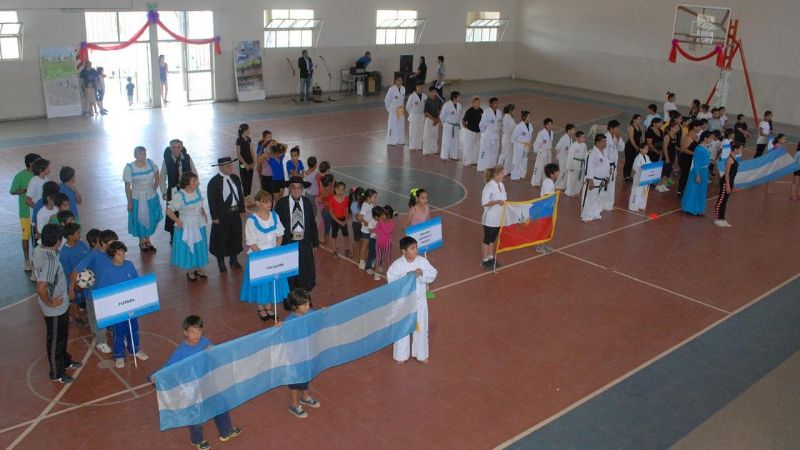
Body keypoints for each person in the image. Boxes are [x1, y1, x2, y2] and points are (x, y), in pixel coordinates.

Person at [157, 315, 242, 447]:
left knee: (221, 404)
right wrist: (155, 376)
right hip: (191, 388)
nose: (196, 335)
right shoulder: (181, 350)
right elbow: (169, 367)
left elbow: (216, 357)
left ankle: (226, 431)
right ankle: (197, 440)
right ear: (185, 332)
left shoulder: (205, 342)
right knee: (196, 414)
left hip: (208, 383)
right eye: (192, 332)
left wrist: (212, 351)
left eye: (199, 332)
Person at [33, 224, 82, 383]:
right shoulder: (51, 260)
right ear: (58, 241)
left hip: (60, 304)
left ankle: (65, 360)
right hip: (54, 307)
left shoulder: (39, 249)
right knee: (55, 339)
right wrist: (51, 302)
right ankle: (56, 373)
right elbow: (41, 288)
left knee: (62, 335)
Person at [95, 241, 148, 368]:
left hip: (130, 306)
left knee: (133, 329)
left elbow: (136, 281)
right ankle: (119, 355)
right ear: (112, 256)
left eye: (123, 253)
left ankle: (134, 350)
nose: (122, 257)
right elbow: (102, 291)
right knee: (118, 333)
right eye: (118, 254)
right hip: (116, 309)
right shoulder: (107, 271)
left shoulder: (129, 265)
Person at [241, 191, 288, 321]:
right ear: (258, 203)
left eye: (270, 201)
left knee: (272, 281)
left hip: (272, 255)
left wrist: (276, 250)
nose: (269, 204)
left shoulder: (274, 216)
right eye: (265, 202)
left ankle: (268, 305)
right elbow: (251, 242)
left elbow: (280, 234)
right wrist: (263, 256)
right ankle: (261, 307)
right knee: (261, 283)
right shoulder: (251, 221)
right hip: (258, 256)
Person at [390, 236, 438, 364]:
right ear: (404, 251)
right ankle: (401, 355)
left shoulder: (422, 262)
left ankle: (421, 354)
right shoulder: (397, 265)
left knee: (421, 328)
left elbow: (433, 273)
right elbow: (391, 280)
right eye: (412, 248)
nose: (416, 250)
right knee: (403, 328)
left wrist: (422, 273)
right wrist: (406, 276)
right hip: (403, 304)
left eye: (416, 247)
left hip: (419, 302)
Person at [72, 229, 116, 354]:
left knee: (111, 314)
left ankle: (113, 332)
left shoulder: (111, 253)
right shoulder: (93, 255)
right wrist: (71, 288)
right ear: (101, 243)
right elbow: (76, 269)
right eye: (111, 243)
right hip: (94, 294)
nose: (113, 245)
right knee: (97, 318)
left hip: (109, 291)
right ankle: (101, 341)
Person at [281, 288, 322, 418]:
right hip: (294, 358)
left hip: (307, 353)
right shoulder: (288, 322)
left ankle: (304, 396)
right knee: (294, 381)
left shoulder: (310, 313)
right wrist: (278, 328)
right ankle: (294, 404)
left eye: (308, 303)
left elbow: (318, 319)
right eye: (304, 305)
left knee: (305, 377)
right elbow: (282, 337)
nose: (307, 306)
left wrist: (324, 313)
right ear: (294, 307)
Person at [275, 176, 320, 291]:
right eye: (293, 187)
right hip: (288, 242)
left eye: (299, 188)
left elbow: (312, 223)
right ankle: (290, 295)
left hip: (304, 242)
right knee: (289, 271)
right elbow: (276, 225)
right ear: (289, 188)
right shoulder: (281, 203)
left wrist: (315, 243)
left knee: (304, 269)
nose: (296, 190)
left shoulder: (307, 202)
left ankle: (303, 295)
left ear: (303, 189)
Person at [165, 172, 209, 281]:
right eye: (194, 181)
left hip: (198, 224)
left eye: (196, 180)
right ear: (187, 184)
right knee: (189, 248)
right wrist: (177, 220)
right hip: (187, 226)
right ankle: (190, 270)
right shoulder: (180, 195)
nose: (196, 183)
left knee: (198, 246)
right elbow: (168, 210)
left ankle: (198, 268)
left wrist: (204, 213)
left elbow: (200, 205)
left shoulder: (197, 192)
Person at [207, 157, 245, 274]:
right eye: (227, 166)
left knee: (235, 236)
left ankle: (233, 259)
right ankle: (221, 262)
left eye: (231, 165)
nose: (230, 168)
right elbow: (211, 201)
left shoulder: (235, 178)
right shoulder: (214, 182)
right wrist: (214, 217)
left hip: (235, 212)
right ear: (221, 167)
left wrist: (241, 210)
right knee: (222, 238)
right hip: (222, 215)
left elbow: (240, 194)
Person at [124, 146, 162, 251]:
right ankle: (142, 242)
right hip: (137, 197)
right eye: (140, 153)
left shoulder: (150, 163)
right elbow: (127, 187)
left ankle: (148, 240)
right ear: (135, 155)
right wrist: (129, 202)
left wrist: (156, 183)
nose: (143, 155)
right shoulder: (130, 168)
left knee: (150, 218)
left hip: (150, 196)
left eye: (144, 153)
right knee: (139, 219)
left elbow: (156, 171)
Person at [160, 139, 198, 243]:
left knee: (186, 211)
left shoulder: (187, 158)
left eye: (178, 147)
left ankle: (187, 233)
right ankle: (173, 236)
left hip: (187, 190)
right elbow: (162, 176)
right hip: (173, 191)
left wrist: (195, 188)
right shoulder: (167, 160)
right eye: (174, 147)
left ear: (182, 148)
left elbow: (194, 173)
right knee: (173, 213)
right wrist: (163, 191)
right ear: (170, 148)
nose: (176, 149)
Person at [10, 153, 40, 272]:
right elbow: (12, 191)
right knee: (26, 236)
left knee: (38, 236)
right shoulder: (20, 176)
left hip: (37, 212)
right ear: (31, 163)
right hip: (25, 212)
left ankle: (37, 259)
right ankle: (27, 260)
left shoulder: (38, 175)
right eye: (37, 161)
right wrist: (26, 190)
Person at [60, 223, 90, 327]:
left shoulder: (81, 244)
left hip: (86, 278)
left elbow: (88, 256)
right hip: (74, 280)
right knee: (75, 300)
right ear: (70, 236)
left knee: (85, 296)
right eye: (77, 233)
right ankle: (76, 317)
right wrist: (76, 284)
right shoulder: (64, 253)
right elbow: (68, 272)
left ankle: (87, 310)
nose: (80, 234)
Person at [481, 166, 507, 269]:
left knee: (493, 239)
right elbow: (484, 202)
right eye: (501, 173)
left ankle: (491, 257)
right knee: (487, 239)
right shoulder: (489, 186)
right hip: (490, 219)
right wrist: (497, 202)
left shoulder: (501, 185)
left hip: (498, 218)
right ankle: (484, 260)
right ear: (496, 175)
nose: (503, 175)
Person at [681, 131, 713, 216]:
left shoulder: (705, 147)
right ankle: (690, 208)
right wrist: (697, 174)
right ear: (705, 138)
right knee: (694, 189)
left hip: (704, 171)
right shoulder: (699, 148)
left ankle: (698, 209)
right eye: (710, 137)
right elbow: (697, 162)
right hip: (698, 171)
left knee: (701, 190)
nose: (711, 139)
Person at [581, 134, 610, 222]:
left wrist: (607, 176)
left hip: (602, 179)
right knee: (590, 198)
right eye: (603, 141)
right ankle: (586, 216)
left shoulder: (605, 152)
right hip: (594, 179)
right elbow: (589, 168)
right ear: (597, 142)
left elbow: (606, 165)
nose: (605, 143)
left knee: (599, 197)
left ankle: (595, 213)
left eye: (606, 141)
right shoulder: (591, 153)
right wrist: (590, 181)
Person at [714, 142, 741, 227]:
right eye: (740, 148)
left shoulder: (734, 158)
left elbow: (733, 173)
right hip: (726, 182)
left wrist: (733, 184)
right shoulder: (730, 159)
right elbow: (727, 173)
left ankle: (722, 219)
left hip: (730, 181)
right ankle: (717, 219)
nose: (741, 150)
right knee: (721, 200)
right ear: (735, 149)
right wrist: (728, 185)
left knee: (725, 201)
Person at [537, 163, 559, 254]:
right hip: (545, 209)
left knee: (547, 228)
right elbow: (546, 196)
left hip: (547, 209)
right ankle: (539, 246)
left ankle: (545, 244)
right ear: (552, 174)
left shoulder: (549, 182)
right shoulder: (549, 182)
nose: (559, 173)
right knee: (543, 228)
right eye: (557, 172)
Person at [602, 120, 623, 211]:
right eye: (617, 128)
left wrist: (618, 138)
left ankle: (609, 204)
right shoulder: (605, 138)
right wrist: (606, 166)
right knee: (605, 185)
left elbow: (622, 148)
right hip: (607, 165)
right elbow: (604, 153)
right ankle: (602, 204)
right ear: (611, 128)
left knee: (611, 186)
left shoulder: (616, 137)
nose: (618, 130)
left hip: (614, 165)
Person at [477, 97, 502, 172]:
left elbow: (499, 124)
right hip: (488, 134)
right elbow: (481, 125)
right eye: (495, 103)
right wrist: (484, 133)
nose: (496, 104)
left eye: (497, 103)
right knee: (485, 151)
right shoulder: (486, 112)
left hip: (495, 135)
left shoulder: (499, 112)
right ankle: (483, 167)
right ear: (490, 104)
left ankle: (492, 167)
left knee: (494, 151)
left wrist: (498, 132)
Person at [326, 181, 350, 258]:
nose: (341, 192)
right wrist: (338, 221)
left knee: (346, 235)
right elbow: (331, 212)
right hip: (335, 219)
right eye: (339, 189)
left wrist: (345, 220)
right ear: (335, 189)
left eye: (342, 190)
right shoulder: (332, 199)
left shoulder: (346, 199)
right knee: (334, 235)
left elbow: (346, 210)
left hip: (343, 219)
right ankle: (334, 251)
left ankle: (347, 249)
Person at [656, 121, 680, 193]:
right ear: (671, 128)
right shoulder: (667, 136)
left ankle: (663, 185)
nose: (678, 129)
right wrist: (666, 157)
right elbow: (665, 147)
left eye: (678, 127)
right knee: (664, 171)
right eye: (676, 127)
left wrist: (680, 150)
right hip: (667, 156)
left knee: (668, 171)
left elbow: (674, 146)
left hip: (672, 156)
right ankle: (658, 185)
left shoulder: (675, 136)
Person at [356, 189, 377, 271]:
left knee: (369, 246)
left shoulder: (370, 204)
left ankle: (368, 260)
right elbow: (359, 217)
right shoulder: (365, 205)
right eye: (374, 197)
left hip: (370, 229)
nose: (376, 199)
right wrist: (365, 222)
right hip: (365, 230)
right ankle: (361, 263)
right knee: (365, 246)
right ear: (368, 198)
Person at [677, 121, 700, 196]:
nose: (700, 128)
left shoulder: (696, 136)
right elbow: (683, 149)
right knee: (685, 174)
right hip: (685, 159)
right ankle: (680, 191)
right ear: (694, 127)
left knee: (689, 175)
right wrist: (694, 154)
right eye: (699, 126)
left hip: (692, 159)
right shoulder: (688, 136)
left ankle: (686, 189)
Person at [374, 205, 395, 281]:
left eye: (383, 214)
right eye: (381, 214)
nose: (381, 216)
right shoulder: (380, 222)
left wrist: (382, 224)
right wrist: (380, 224)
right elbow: (376, 231)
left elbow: (387, 231)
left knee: (388, 259)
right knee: (378, 258)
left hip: (387, 244)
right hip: (379, 242)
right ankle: (376, 273)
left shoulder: (392, 223)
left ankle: (389, 274)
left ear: (388, 215)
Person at [510, 110, 533, 181]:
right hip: (519, 145)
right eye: (528, 116)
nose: (529, 118)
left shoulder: (530, 125)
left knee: (524, 160)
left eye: (530, 116)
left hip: (526, 145)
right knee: (517, 160)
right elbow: (513, 136)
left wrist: (529, 144)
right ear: (524, 117)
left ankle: (522, 175)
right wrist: (516, 145)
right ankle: (514, 176)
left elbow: (530, 136)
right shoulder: (519, 126)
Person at [530, 118, 554, 187]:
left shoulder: (551, 133)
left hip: (548, 151)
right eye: (548, 124)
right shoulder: (541, 133)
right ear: (545, 125)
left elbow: (550, 143)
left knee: (547, 167)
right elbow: (536, 143)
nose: (550, 126)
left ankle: (545, 181)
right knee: (539, 167)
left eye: (551, 124)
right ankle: (535, 182)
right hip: (542, 151)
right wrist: (537, 151)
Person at [439, 91, 462, 161]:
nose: (459, 98)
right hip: (448, 125)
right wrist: (445, 124)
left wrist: (458, 124)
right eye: (458, 97)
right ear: (454, 98)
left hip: (456, 126)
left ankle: (454, 156)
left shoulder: (459, 105)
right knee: (446, 141)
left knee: (455, 141)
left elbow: (459, 116)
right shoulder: (446, 105)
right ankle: (444, 156)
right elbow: (441, 116)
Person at [629, 142, 652, 212]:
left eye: (647, 149)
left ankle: (641, 205)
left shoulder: (647, 157)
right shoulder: (638, 158)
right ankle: (633, 206)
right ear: (640, 149)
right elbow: (635, 167)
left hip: (645, 179)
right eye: (645, 149)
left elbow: (650, 165)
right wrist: (642, 169)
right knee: (636, 192)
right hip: (638, 178)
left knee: (643, 192)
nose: (646, 151)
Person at [385, 77, 407, 146]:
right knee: (392, 125)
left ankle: (400, 140)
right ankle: (391, 141)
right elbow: (386, 100)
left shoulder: (403, 88)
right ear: (395, 81)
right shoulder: (391, 89)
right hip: (393, 110)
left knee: (401, 124)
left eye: (401, 80)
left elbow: (402, 100)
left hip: (400, 109)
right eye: (398, 80)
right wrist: (389, 109)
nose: (399, 82)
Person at [406, 81, 427, 152]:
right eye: (419, 87)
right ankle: (412, 146)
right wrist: (412, 114)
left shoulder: (425, 96)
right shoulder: (412, 96)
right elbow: (408, 107)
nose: (421, 89)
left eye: (422, 87)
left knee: (420, 131)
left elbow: (425, 107)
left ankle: (419, 146)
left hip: (421, 115)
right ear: (416, 87)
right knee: (413, 131)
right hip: (414, 116)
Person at [461, 96, 483, 166]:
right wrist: (466, 128)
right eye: (476, 103)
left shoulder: (481, 110)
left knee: (477, 146)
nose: (477, 104)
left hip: (478, 131)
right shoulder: (469, 111)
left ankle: (474, 160)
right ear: (472, 103)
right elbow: (464, 121)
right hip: (470, 131)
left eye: (478, 103)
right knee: (468, 146)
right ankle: (466, 161)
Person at [565, 131, 588, 197]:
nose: (583, 139)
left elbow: (585, 154)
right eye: (582, 137)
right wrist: (570, 166)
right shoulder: (573, 145)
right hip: (574, 164)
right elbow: (570, 156)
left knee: (580, 179)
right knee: (572, 179)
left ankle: (576, 192)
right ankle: (569, 192)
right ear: (577, 138)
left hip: (581, 164)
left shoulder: (584, 145)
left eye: (584, 137)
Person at [422, 86, 443, 156]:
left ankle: (434, 149)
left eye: (435, 92)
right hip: (429, 120)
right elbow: (426, 112)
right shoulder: (427, 100)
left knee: (435, 135)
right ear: (430, 92)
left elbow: (440, 110)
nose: (434, 94)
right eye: (432, 92)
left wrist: (438, 119)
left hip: (436, 120)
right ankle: (426, 150)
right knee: (427, 135)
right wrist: (433, 119)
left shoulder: (438, 100)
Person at [235, 123, 255, 197]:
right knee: (244, 181)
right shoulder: (239, 140)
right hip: (243, 164)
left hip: (250, 163)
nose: (249, 130)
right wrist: (245, 164)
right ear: (245, 130)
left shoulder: (248, 139)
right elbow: (238, 154)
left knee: (250, 181)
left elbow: (251, 150)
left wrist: (254, 162)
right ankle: (245, 197)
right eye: (248, 129)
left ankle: (248, 196)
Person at [553, 124, 575, 190]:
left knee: (566, 172)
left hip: (567, 158)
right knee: (562, 172)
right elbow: (557, 148)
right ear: (569, 131)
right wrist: (556, 157)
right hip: (562, 158)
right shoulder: (563, 138)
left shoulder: (570, 139)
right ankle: (557, 186)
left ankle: (563, 186)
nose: (574, 131)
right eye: (573, 130)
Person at [498, 104, 517, 175]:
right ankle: (501, 169)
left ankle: (507, 170)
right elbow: (513, 128)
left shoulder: (507, 117)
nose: (514, 112)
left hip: (507, 137)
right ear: (510, 111)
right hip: (507, 138)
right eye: (514, 110)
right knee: (505, 154)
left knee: (508, 154)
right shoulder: (508, 118)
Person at [623, 114, 643, 180]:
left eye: (640, 119)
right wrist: (636, 147)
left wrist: (640, 145)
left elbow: (640, 137)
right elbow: (631, 139)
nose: (640, 121)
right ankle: (626, 176)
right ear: (634, 119)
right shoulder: (631, 127)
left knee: (632, 161)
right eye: (638, 119)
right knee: (628, 161)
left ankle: (628, 175)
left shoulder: (638, 126)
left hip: (636, 146)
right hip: (630, 147)